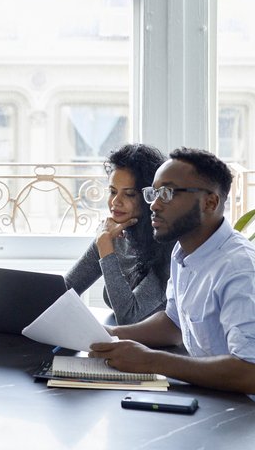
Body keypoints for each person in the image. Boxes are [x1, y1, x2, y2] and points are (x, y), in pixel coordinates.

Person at [90, 147, 255, 394]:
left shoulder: (239, 269)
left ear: (210, 202)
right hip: (211, 398)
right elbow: (173, 323)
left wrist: (151, 361)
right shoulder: (183, 251)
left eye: (167, 193)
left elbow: (249, 371)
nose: (154, 205)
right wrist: (113, 334)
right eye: (154, 193)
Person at [65, 143, 173, 324]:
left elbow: (129, 317)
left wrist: (106, 249)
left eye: (129, 194)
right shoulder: (112, 235)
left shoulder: (168, 245)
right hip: (123, 341)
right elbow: (66, 290)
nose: (116, 202)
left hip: (161, 349)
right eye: (113, 192)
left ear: (150, 197)